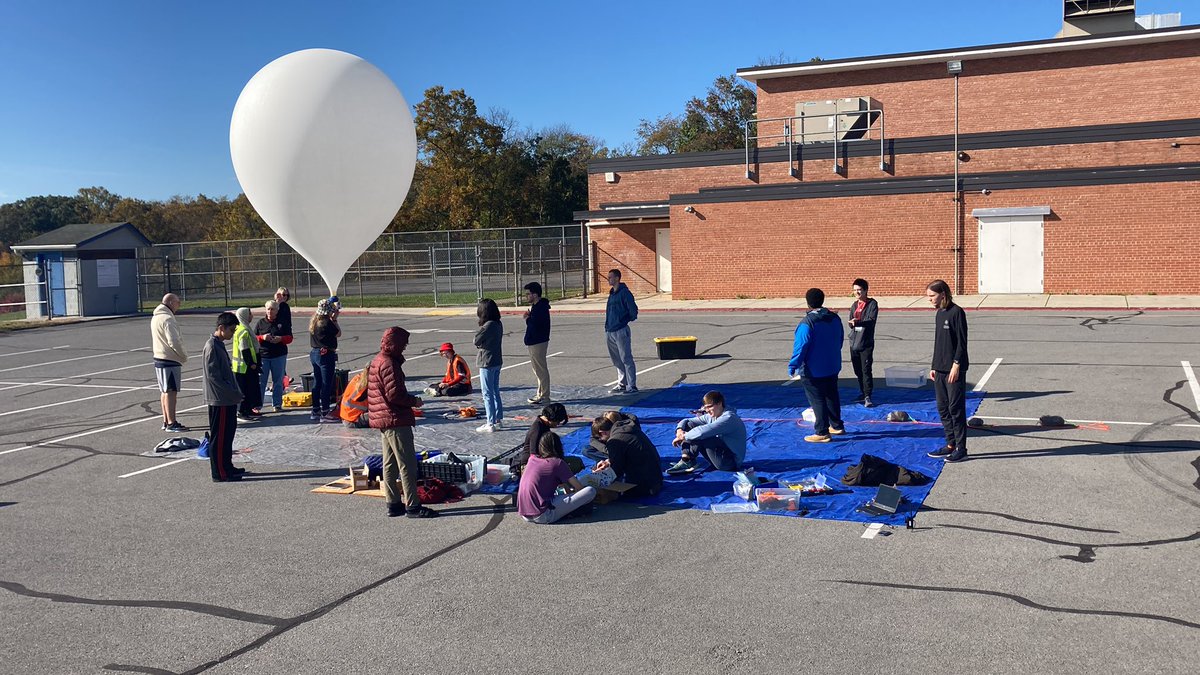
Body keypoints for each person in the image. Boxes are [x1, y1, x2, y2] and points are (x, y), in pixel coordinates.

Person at [368, 326, 438, 518]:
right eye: (403, 344)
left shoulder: (377, 360)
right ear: (395, 344)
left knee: (389, 464)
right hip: (395, 418)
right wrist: (413, 401)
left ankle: (393, 503)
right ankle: (413, 506)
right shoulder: (389, 364)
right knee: (407, 464)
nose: (405, 347)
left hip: (383, 419)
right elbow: (395, 395)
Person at [789, 288, 846, 443]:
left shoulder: (807, 323)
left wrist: (793, 364)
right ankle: (837, 425)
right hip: (832, 365)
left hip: (814, 369)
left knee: (817, 399)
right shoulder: (834, 318)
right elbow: (840, 340)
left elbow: (801, 346)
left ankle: (822, 431)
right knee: (831, 395)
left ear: (807, 303)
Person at [925, 279, 970, 463]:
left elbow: (961, 341)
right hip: (940, 369)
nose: (929, 299)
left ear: (942, 294)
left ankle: (961, 448)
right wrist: (934, 366)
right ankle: (950, 444)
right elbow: (939, 343)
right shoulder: (939, 313)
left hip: (954, 369)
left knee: (955, 409)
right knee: (943, 408)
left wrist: (956, 365)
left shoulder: (956, 312)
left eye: (932, 296)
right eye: (928, 296)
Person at [202, 312, 247, 482]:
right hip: (219, 399)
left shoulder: (219, 344)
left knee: (228, 435)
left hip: (227, 399)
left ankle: (227, 466)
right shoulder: (212, 346)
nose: (233, 333)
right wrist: (232, 392)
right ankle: (220, 472)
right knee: (219, 438)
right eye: (231, 330)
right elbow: (214, 378)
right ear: (221, 328)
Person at [517, 432, 596, 524]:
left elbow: (563, 486)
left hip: (525, 513)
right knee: (590, 491)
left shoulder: (532, 459)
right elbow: (578, 487)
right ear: (558, 446)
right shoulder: (557, 463)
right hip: (543, 515)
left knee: (562, 496)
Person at [666, 390, 747, 474]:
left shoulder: (729, 418)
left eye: (709, 407)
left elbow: (702, 433)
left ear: (719, 403)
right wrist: (679, 430)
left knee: (702, 434)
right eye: (705, 408)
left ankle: (687, 461)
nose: (707, 410)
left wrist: (683, 437)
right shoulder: (712, 415)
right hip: (719, 456)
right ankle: (687, 459)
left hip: (730, 463)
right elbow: (687, 421)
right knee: (690, 425)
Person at [592, 414, 663, 498]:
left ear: (602, 432)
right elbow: (628, 454)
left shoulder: (614, 440)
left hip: (644, 486)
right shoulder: (629, 428)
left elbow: (616, 470)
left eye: (600, 438)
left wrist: (601, 475)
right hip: (657, 479)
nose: (602, 441)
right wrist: (608, 462)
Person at [150, 293, 188, 432]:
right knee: (171, 392)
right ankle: (172, 422)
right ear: (171, 302)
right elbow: (174, 341)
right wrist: (183, 355)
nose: (179, 305)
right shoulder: (167, 319)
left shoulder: (156, 317)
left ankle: (166, 420)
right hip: (170, 359)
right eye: (178, 302)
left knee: (164, 391)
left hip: (159, 357)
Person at [604, 268, 639, 394]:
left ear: (617, 278)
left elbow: (633, 311)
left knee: (626, 358)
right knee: (616, 359)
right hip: (610, 330)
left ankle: (632, 385)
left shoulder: (625, 293)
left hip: (621, 330)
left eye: (610, 277)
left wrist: (623, 320)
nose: (608, 279)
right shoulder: (612, 293)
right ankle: (622, 383)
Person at [254, 299, 292, 411]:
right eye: (268, 309)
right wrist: (262, 337)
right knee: (261, 382)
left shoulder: (282, 322)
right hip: (264, 356)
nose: (270, 311)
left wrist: (281, 339)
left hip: (279, 355)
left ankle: (277, 404)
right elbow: (253, 338)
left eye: (272, 309)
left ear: (277, 310)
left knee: (278, 381)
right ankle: (258, 405)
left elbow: (290, 338)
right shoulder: (260, 323)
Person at [848, 278, 879, 408]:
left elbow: (871, 321)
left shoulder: (872, 304)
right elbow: (851, 322)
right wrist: (852, 323)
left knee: (866, 370)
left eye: (859, 290)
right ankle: (862, 392)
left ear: (865, 290)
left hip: (866, 342)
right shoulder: (854, 305)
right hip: (854, 342)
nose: (857, 292)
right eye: (855, 290)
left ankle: (868, 395)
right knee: (858, 370)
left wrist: (858, 322)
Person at [309, 298, 341, 422]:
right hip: (326, 354)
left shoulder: (314, 321)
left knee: (317, 382)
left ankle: (315, 409)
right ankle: (325, 411)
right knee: (326, 384)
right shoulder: (327, 322)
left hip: (315, 353)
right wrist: (335, 319)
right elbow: (338, 333)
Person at [474, 298, 503, 432]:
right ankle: (498, 419)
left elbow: (476, 340)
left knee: (487, 393)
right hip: (497, 360)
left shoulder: (488, 326)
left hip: (487, 362)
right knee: (495, 390)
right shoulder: (498, 323)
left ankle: (490, 422)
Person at [513, 403, 569, 472]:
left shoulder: (543, 425)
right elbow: (533, 455)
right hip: (531, 464)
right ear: (551, 419)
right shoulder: (537, 430)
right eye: (558, 422)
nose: (557, 425)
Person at [523, 281, 552, 405]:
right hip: (534, 341)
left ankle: (545, 395)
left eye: (528, 294)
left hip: (538, 341)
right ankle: (540, 393)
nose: (526, 296)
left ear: (535, 295)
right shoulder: (536, 306)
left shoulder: (541, 307)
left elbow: (538, 325)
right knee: (537, 369)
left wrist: (528, 318)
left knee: (541, 369)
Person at [231, 307, 262, 421]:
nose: (252, 316)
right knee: (243, 390)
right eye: (250, 314)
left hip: (245, 366)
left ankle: (248, 409)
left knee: (250, 388)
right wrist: (251, 363)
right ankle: (241, 412)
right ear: (244, 315)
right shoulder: (243, 330)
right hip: (243, 367)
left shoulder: (244, 328)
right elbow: (244, 349)